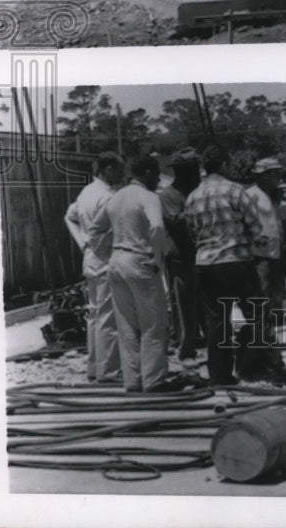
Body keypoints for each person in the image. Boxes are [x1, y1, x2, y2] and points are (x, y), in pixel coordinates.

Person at [184, 145, 286, 387]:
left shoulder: (193, 196)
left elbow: (192, 231)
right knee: (258, 316)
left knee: (217, 322)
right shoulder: (235, 191)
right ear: (225, 166)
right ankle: (274, 368)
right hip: (236, 260)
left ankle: (220, 375)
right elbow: (256, 227)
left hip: (206, 264)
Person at [87, 155, 179, 393]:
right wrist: (156, 259)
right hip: (140, 260)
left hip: (117, 261)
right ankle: (154, 379)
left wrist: (109, 251)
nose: (158, 178)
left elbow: (95, 230)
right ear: (147, 173)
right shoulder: (149, 197)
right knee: (154, 324)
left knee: (126, 325)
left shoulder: (116, 197)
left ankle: (133, 380)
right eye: (156, 173)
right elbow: (157, 226)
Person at [64, 152, 126, 383]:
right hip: (106, 258)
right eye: (120, 169)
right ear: (108, 169)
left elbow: (69, 217)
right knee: (109, 317)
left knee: (94, 315)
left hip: (90, 258)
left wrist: (82, 242)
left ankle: (94, 367)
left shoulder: (86, 192)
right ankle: (108, 371)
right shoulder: (108, 197)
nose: (122, 175)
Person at [157, 147, 202, 363]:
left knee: (203, 301)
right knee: (182, 304)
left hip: (201, 255)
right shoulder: (168, 196)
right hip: (179, 256)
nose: (196, 173)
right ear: (179, 172)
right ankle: (186, 349)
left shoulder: (198, 191)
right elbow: (178, 223)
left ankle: (202, 340)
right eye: (190, 169)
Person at [243, 156, 286, 331]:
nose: (279, 178)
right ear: (264, 175)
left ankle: (269, 334)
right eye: (275, 174)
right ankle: (260, 336)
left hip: (274, 253)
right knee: (261, 296)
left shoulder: (269, 196)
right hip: (259, 255)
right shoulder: (250, 195)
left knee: (274, 296)